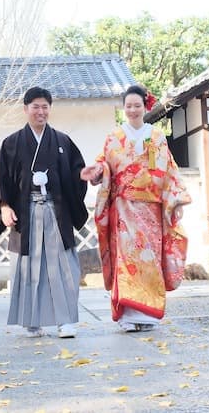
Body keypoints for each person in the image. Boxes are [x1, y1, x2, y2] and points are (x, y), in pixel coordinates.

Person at [81, 85, 191, 332]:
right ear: (123, 108)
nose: (132, 110)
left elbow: (169, 169)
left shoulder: (157, 136)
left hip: (151, 209)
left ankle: (148, 314)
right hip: (124, 207)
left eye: (136, 105)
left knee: (149, 258)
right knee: (127, 259)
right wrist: (96, 172)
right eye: (128, 106)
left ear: (145, 106)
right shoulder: (114, 137)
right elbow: (104, 165)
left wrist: (176, 201)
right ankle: (128, 315)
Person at [0, 86, 88, 339]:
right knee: (29, 267)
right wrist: (4, 206)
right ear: (25, 109)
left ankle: (66, 322)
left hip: (56, 212)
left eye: (45, 106)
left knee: (63, 267)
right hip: (27, 214)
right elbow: (0, 179)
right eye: (35, 106)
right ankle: (32, 322)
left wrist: (82, 176)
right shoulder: (11, 144)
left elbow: (76, 172)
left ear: (49, 109)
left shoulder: (63, 141)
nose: (40, 111)